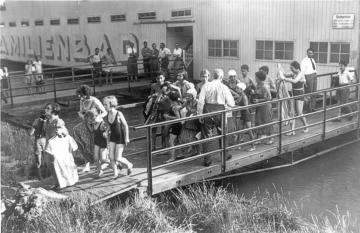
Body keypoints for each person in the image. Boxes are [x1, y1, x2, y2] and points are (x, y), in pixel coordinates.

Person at [197, 69, 235, 166]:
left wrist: (200, 114)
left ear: (212, 76)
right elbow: (232, 103)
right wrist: (226, 104)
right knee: (223, 133)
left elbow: (201, 101)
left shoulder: (206, 85)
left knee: (206, 135)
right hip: (220, 110)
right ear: (221, 77)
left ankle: (207, 160)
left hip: (208, 109)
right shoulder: (224, 87)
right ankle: (224, 155)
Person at [43, 103, 78, 190]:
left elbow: (65, 131)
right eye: (46, 108)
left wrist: (61, 132)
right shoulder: (47, 121)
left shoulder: (58, 121)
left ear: (54, 111)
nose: (45, 110)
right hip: (51, 145)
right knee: (51, 164)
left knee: (59, 163)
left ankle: (66, 181)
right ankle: (57, 182)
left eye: (48, 109)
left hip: (59, 146)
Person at [74, 84, 107, 172]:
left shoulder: (94, 100)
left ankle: (101, 161)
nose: (79, 96)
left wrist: (97, 118)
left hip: (96, 123)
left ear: (86, 93)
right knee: (78, 133)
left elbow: (104, 112)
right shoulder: (82, 101)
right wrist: (81, 115)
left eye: (81, 94)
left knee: (95, 143)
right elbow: (82, 112)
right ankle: (87, 163)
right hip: (86, 123)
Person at [103, 95, 133, 178]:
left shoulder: (119, 113)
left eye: (106, 104)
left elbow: (125, 126)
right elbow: (110, 126)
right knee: (111, 157)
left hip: (120, 138)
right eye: (104, 105)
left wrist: (127, 137)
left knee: (118, 158)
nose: (104, 106)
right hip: (112, 137)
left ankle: (129, 164)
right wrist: (106, 131)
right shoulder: (108, 114)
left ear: (111, 104)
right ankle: (115, 173)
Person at [278, 62, 309, 135]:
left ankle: (306, 125)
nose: (291, 69)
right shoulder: (293, 73)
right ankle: (292, 130)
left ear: (296, 68)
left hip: (300, 94)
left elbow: (295, 81)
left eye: (292, 68)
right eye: (290, 68)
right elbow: (284, 74)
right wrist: (280, 68)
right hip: (293, 93)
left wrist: (285, 79)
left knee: (299, 112)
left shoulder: (301, 73)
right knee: (292, 112)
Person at [85, 109, 110, 178]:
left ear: (94, 117)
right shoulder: (93, 123)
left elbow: (108, 128)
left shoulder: (102, 123)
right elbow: (92, 131)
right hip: (96, 141)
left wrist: (106, 132)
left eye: (89, 119)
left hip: (103, 142)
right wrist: (89, 125)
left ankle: (114, 162)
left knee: (103, 159)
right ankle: (100, 171)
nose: (89, 121)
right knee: (96, 158)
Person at [233, 82, 256, 151]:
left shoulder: (244, 96)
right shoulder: (240, 95)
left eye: (237, 88)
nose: (236, 89)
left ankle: (253, 146)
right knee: (240, 130)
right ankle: (239, 145)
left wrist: (238, 107)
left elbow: (246, 107)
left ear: (241, 89)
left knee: (249, 131)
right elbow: (239, 104)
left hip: (246, 115)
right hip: (242, 115)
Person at [178, 89, 201, 157]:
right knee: (190, 137)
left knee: (196, 136)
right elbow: (181, 107)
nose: (187, 97)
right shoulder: (187, 102)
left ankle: (199, 152)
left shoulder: (197, 102)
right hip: (188, 120)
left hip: (195, 121)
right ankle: (194, 151)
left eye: (189, 96)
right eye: (187, 96)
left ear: (193, 96)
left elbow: (199, 111)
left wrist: (194, 113)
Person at [253, 71, 273, 145]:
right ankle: (259, 137)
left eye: (256, 77)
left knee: (266, 121)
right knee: (258, 121)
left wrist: (259, 100)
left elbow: (269, 98)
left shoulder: (265, 86)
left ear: (258, 78)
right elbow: (258, 92)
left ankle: (271, 137)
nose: (255, 78)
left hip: (265, 106)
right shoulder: (258, 85)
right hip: (260, 106)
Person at [163, 91, 183, 163]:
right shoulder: (179, 103)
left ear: (170, 98)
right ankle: (180, 154)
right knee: (178, 140)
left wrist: (167, 116)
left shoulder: (174, 107)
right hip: (179, 125)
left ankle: (172, 157)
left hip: (176, 125)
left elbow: (178, 118)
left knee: (171, 141)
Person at [29, 112, 47, 180]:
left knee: (38, 161)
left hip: (38, 141)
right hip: (45, 141)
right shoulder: (48, 121)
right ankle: (48, 175)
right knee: (46, 159)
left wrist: (34, 127)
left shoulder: (36, 121)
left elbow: (31, 133)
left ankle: (40, 177)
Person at [301, 48, 318, 112]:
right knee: (308, 93)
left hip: (314, 76)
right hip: (308, 77)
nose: (310, 54)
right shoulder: (304, 61)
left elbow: (314, 68)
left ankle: (312, 107)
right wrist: (304, 80)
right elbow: (302, 72)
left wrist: (315, 74)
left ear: (313, 54)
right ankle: (307, 109)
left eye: (311, 53)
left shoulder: (313, 60)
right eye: (308, 53)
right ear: (307, 53)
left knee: (314, 92)